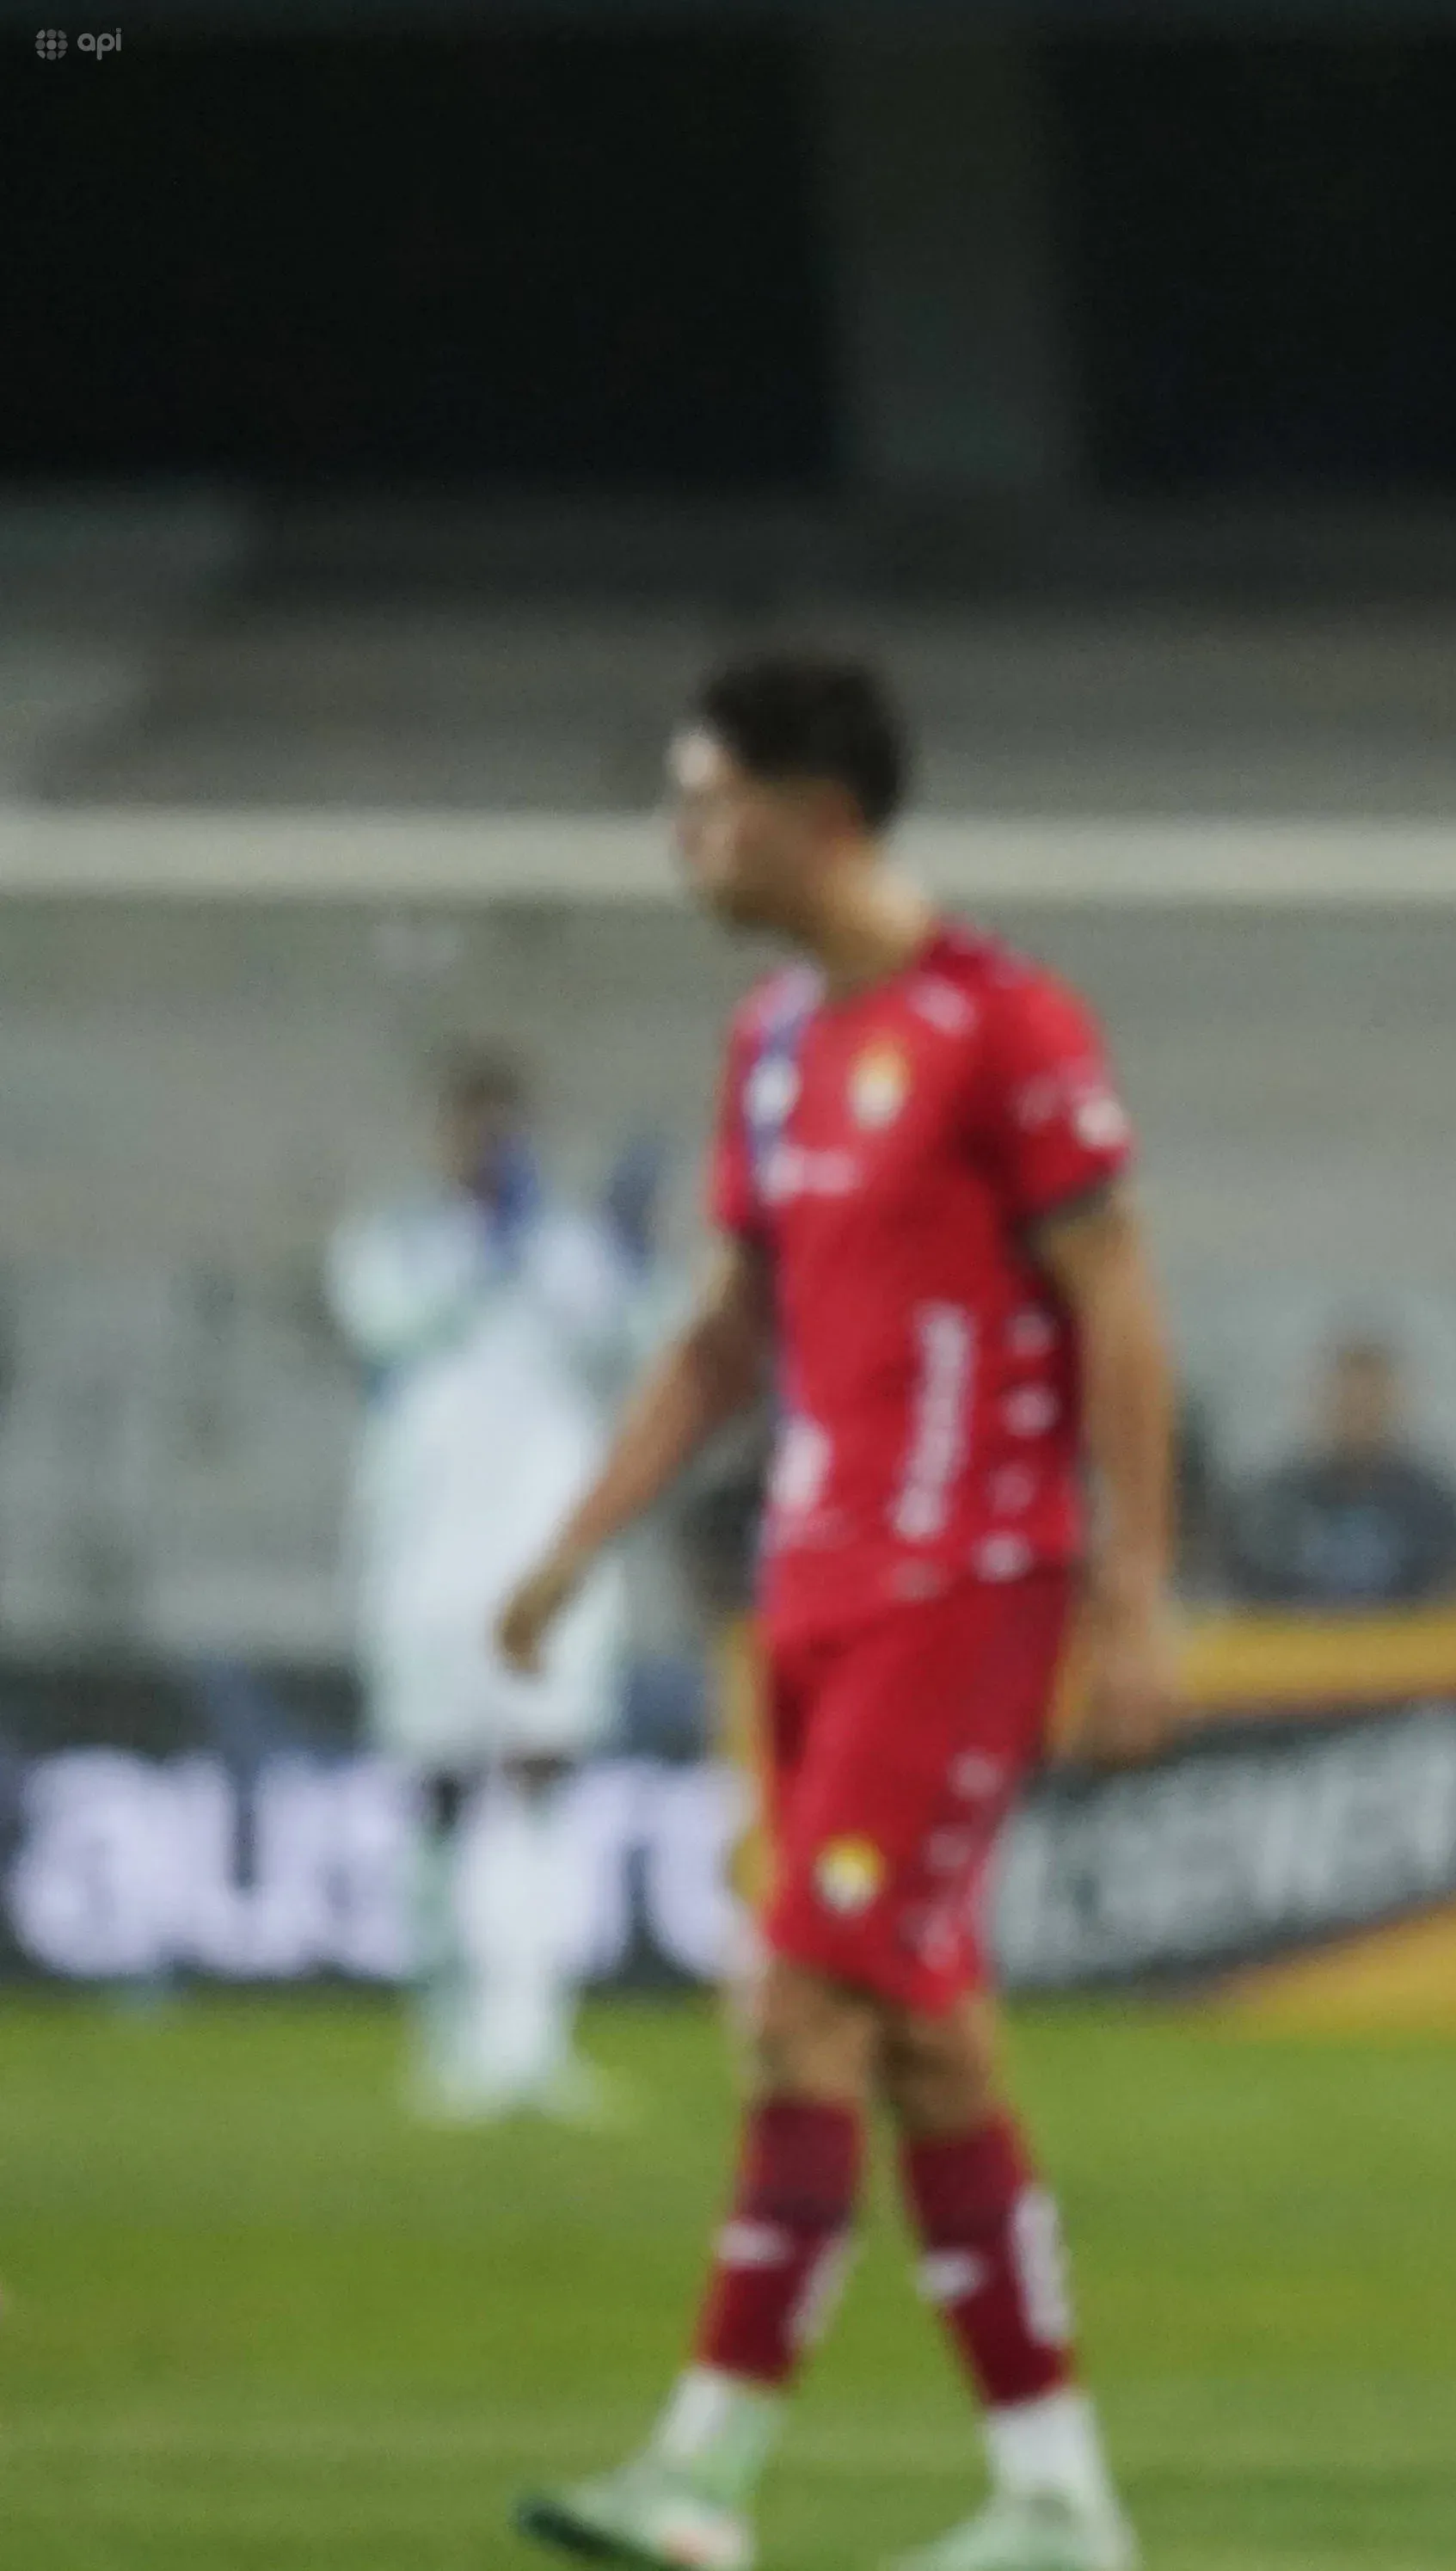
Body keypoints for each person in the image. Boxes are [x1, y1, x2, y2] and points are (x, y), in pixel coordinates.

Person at [495, 650, 1178, 2571]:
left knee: (798, 2003)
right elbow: (728, 1335)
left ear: (816, 814)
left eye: (706, 801)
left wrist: (1135, 1586)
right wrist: (575, 1541)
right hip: (810, 1587)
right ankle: (1056, 2504)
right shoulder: (775, 1040)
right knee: (926, 2041)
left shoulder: (1004, 1024)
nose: (682, 836)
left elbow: (1120, 1304)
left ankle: (705, 2472)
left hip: (966, 1580)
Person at [327, 1042, 651, 2121]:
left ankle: (531, 2034)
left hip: (544, 1560)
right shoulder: (392, 1245)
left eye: (502, 1125)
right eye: (470, 1125)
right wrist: (496, 1257)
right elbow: (388, 1330)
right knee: (437, 1792)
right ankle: (445, 2032)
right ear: (441, 1133)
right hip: (425, 1561)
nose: (486, 1147)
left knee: (542, 1777)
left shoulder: (568, 1250)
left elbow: (641, 1346)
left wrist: (632, 1255)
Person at [1217, 1334, 1456, 1610]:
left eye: (1370, 1401)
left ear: (1393, 1403)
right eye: (1348, 1401)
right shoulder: (1274, 1502)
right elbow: (1239, 1596)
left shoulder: (1435, 1507)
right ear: (1321, 1403)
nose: (1358, 1414)